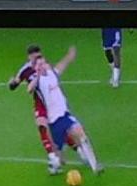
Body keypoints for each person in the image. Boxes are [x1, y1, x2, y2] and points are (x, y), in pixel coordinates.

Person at [28, 47, 103, 175]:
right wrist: (38, 75)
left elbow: (61, 66)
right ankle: (55, 165)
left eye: (43, 63)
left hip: (65, 114)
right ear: (35, 68)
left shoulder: (52, 73)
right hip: (54, 121)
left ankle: (95, 166)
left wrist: (69, 56)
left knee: (80, 133)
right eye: (39, 65)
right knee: (60, 158)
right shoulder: (38, 81)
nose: (42, 66)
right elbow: (29, 89)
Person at [8, 45, 64, 174]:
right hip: (40, 103)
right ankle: (52, 158)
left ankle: (79, 149)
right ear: (29, 57)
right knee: (42, 127)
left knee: (60, 129)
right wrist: (11, 83)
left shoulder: (45, 65)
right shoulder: (25, 70)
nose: (37, 59)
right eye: (34, 56)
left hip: (52, 101)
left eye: (38, 55)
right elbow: (14, 84)